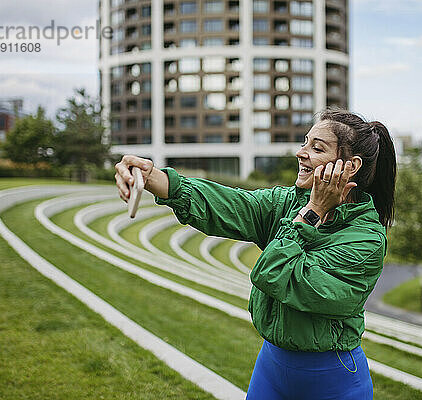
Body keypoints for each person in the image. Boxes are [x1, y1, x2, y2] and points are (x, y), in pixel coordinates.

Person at [114, 108, 396, 400]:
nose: (301, 153)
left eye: (317, 148)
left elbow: (275, 273)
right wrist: (153, 177)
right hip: (271, 369)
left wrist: (312, 213)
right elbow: (230, 203)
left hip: (331, 382)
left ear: (350, 167)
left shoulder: (365, 240)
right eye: (305, 142)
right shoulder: (287, 202)